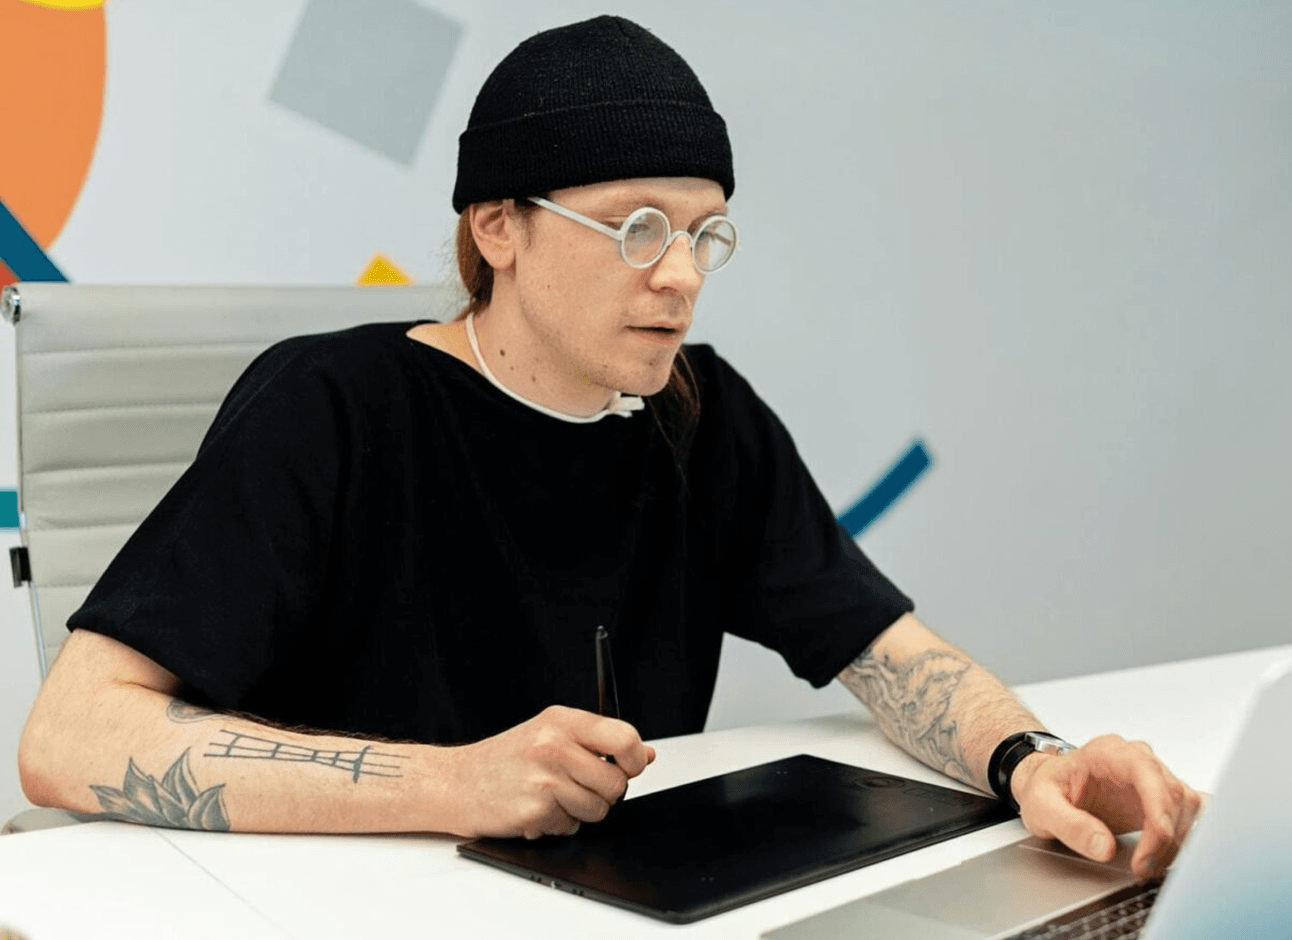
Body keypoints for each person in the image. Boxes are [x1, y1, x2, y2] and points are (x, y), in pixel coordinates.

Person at [17, 15, 1200, 878]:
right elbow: (71, 737)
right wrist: (453, 781)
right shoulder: (332, 406)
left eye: (704, 233)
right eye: (635, 227)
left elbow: (889, 654)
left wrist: (1029, 758)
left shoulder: (701, 414)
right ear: (499, 227)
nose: (680, 274)